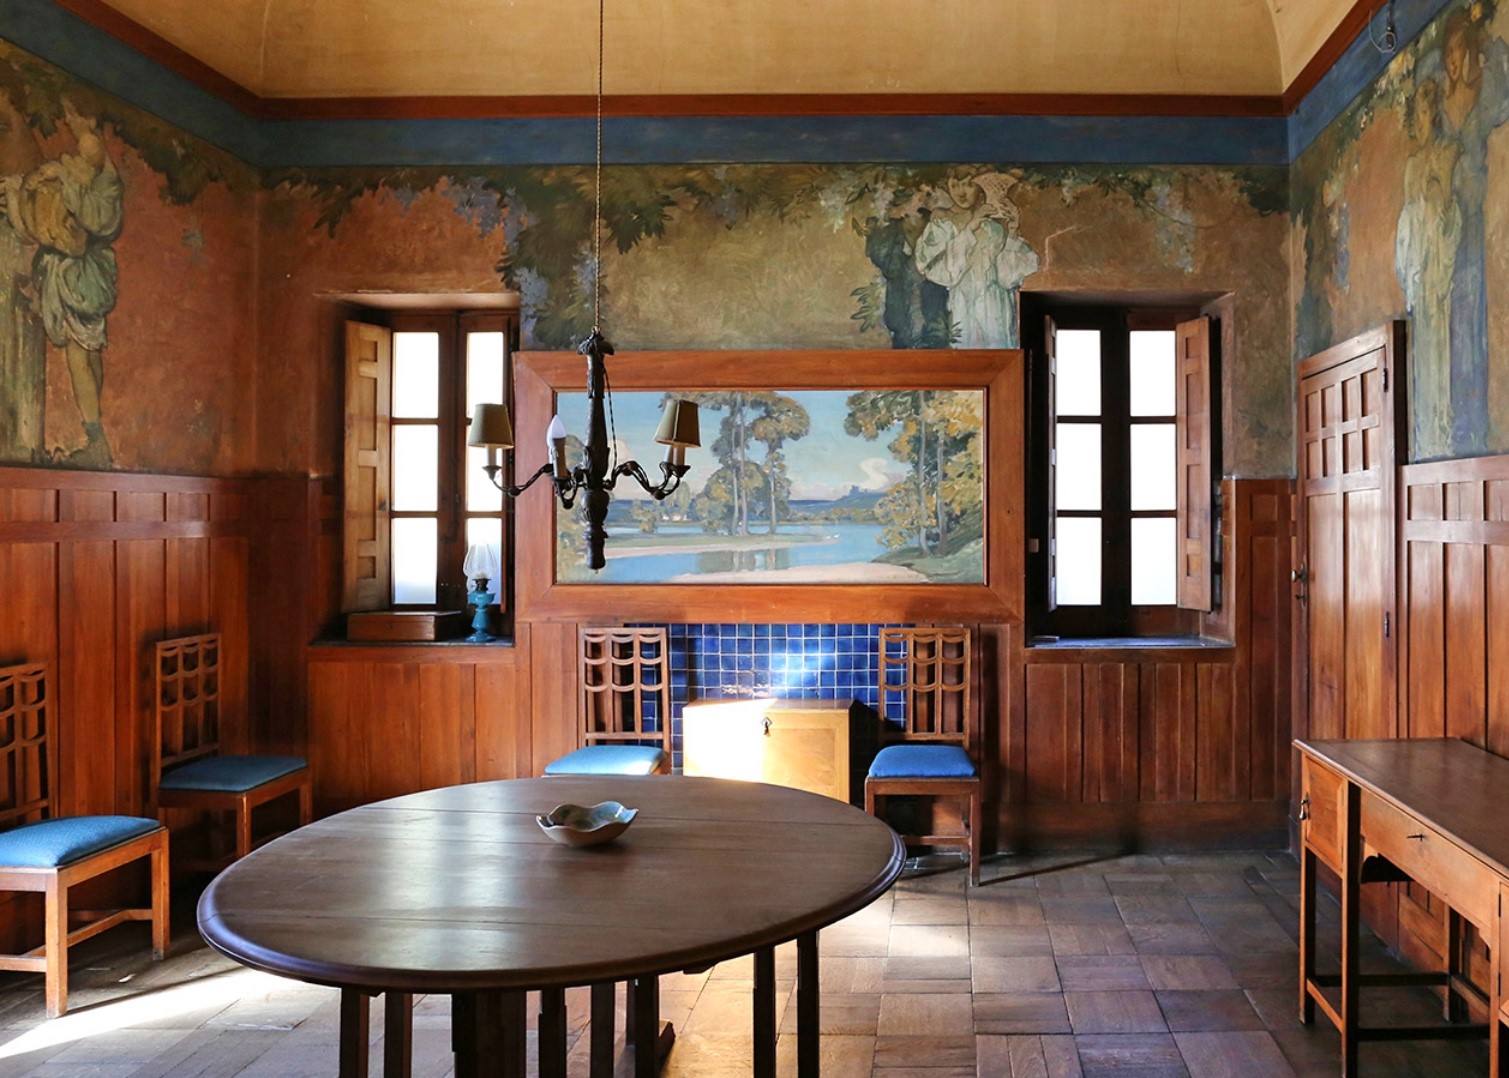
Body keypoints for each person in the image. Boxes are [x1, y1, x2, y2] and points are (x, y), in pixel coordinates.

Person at [3, 96, 122, 467]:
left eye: (81, 126)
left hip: (81, 282)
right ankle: (97, 439)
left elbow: (83, 227)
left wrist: (39, 186)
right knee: (86, 353)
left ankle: (96, 439)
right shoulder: (87, 173)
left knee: (80, 356)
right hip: (78, 278)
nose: (75, 130)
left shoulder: (102, 187)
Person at [913, 171, 1039, 348]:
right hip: (962, 304)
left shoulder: (994, 229)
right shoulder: (942, 223)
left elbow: (1006, 278)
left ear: (981, 188)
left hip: (996, 307)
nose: (961, 192)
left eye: (968, 185)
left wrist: (1012, 231)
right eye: (955, 185)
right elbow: (939, 271)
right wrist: (970, 228)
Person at [0, 65, 44, 462]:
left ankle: (19, 445)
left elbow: (32, 226)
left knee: (14, 353)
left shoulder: (20, 141)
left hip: (11, 260)